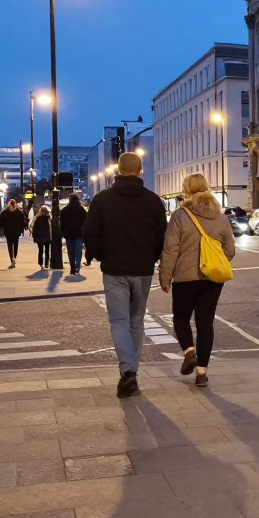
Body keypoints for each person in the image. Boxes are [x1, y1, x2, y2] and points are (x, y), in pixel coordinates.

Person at [83, 151, 167, 398]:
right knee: (136, 322)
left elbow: (89, 233)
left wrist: (101, 255)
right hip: (142, 269)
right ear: (140, 171)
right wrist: (151, 257)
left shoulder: (102, 200)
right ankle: (132, 372)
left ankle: (127, 371)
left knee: (118, 321)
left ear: (117, 170)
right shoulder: (153, 201)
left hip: (114, 269)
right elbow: (162, 236)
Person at [159, 173, 236, 387]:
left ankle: (189, 352)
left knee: (181, 318)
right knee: (205, 322)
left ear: (187, 190)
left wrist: (165, 277)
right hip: (212, 278)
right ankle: (202, 373)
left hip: (185, 278)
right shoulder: (220, 217)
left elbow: (170, 249)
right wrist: (213, 261)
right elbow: (229, 250)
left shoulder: (180, 215)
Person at [60, 193, 87, 275]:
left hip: (69, 234)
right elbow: (86, 222)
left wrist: (64, 233)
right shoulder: (81, 209)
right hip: (79, 234)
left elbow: (62, 223)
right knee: (78, 252)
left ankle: (72, 267)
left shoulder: (65, 210)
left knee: (70, 252)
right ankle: (77, 267)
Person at [0, 199, 27, 268]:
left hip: (8, 231)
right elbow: (22, 222)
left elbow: (0, 222)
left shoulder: (4, 212)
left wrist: (2, 227)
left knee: (10, 246)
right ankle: (14, 257)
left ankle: (12, 258)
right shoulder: (19, 212)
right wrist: (22, 230)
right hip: (16, 231)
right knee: (16, 245)